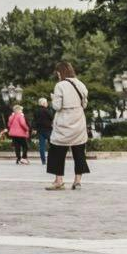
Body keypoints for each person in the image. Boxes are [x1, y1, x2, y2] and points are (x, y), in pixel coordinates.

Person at [46, 61, 89, 190]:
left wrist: (53, 98)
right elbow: (85, 104)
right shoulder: (80, 84)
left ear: (60, 72)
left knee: (57, 151)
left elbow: (57, 106)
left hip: (64, 122)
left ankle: (59, 181)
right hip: (78, 121)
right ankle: (77, 181)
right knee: (79, 152)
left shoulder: (60, 85)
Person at [33, 98, 54, 167]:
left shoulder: (36, 111)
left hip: (40, 130)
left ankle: (43, 161)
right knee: (52, 145)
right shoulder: (47, 111)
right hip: (48, 130)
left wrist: (34, 128)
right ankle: (52, 160)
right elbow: (52, 117)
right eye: (46, 102)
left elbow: (34, 121)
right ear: (44, 103)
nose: (47, 104)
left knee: (42, 146)